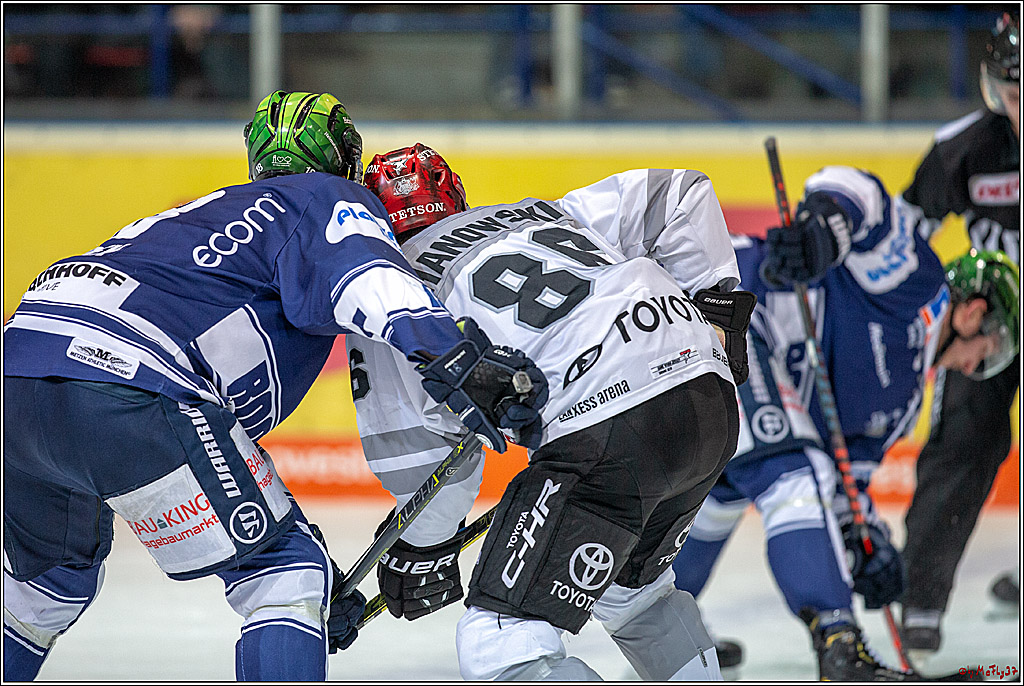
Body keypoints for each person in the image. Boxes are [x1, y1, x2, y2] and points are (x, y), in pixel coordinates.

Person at [2, 92, 545, 681]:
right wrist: (460, 359)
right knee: (284, 579)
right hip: (130, 378)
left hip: (19, 371)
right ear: (344, 156)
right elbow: (375, 284)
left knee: (43, 587)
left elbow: (214, 430)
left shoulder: (196, 216)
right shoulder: (324, 198)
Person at [353, 143, 757, 680]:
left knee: (502, 640)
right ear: (455, 195)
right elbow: (680, 192)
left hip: (607, 427)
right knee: (636, 598)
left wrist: (422, 547)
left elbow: (420, 451)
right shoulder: (545, 210)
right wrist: (716, 307)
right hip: (708, 398)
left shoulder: (392, 289)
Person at [671, 165, 1019, 680]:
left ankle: (666, 624)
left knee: (728, 487)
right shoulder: (915, 287)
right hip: (715, 311)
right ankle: (839, 643)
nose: (975, 369)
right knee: (790, 472)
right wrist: (824, 227)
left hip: (727, 362)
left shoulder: (902, 406)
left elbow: (843, 485)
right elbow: (858, 191)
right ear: (971, 313)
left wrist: (865, 540)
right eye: (986, 350)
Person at [898, 12, 1021, 660]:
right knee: (960, 450)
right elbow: (900, 238)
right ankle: (920, 594)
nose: (1023, 112)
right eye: (1016, 96)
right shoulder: (963, 149)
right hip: (988, 324)